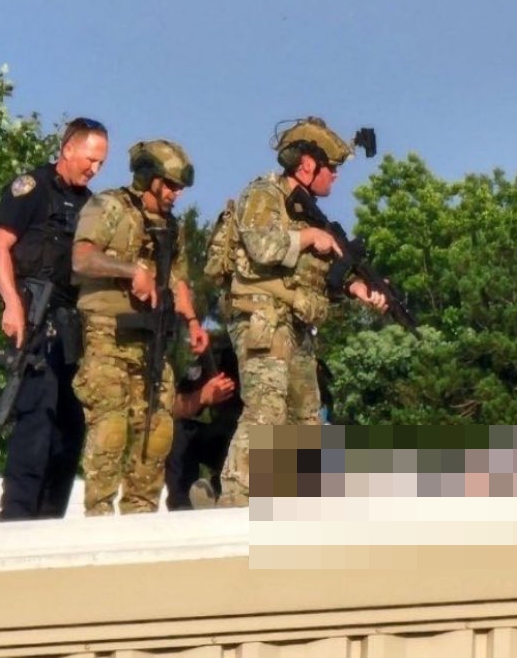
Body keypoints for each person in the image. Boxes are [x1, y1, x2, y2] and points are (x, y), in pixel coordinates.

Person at [215, 117, 386, 505]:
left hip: (296, 322)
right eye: (333, 169)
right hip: (261, 316)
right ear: (307, 165)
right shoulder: (264, 194)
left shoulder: (308, 212)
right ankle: (235, 505)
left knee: (307, 420)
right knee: (266, 413)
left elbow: (317, 276)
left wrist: (360, 288)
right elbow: (263, 247)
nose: (336, 178)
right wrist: (311, 236)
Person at [71, 139, 209, 515]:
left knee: (156, 430)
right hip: (108, 333)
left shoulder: (171, 226)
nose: (176, 194)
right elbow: (81, 259)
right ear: (148, 178)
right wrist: (132, 271)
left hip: (153, 338)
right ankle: (97, 515)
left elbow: (179, 281)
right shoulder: (109, 206)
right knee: (111, 427)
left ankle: (141, 518)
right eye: (170, 185)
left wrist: (193, 323)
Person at [0, 117, 108, 521]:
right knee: (37, 419)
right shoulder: (32, 189)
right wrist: (11, 304)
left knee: (71, 427)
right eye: (90, 159)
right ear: (68, 149)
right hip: (35, 318)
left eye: (101, 163)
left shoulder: (93, 206)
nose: (94, 168)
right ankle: (16, 516)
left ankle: (49, 519)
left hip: (74, 325)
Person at [165, 336, 241, 510]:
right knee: (179, 430)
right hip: (226, 442)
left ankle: (223, 493)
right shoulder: (219, 356)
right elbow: (174, 408)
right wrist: (202, 396)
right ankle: (181, 506)